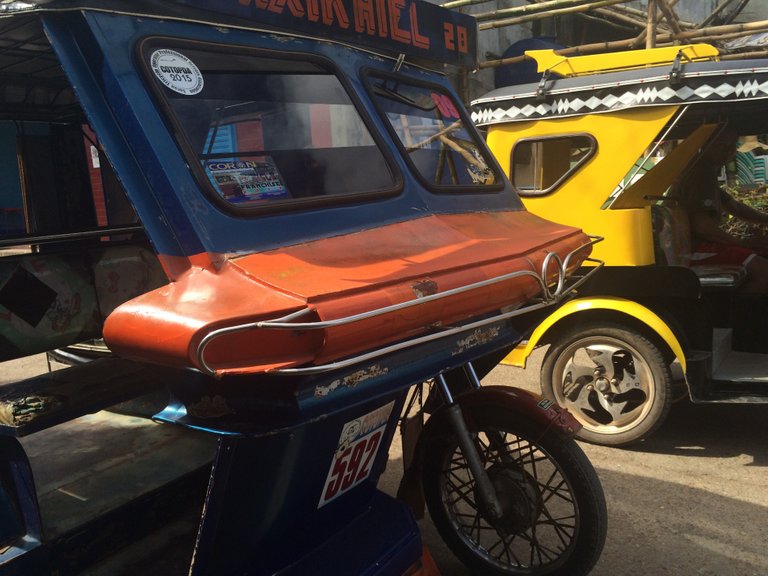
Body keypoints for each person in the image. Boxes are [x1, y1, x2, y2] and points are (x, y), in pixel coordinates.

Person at [679, 129, 768, 293]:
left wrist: (765, 219)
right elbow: (701, 225)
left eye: (731, 145)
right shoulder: (700, 173)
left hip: (702, 247)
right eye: (720, 144)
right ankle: (738, 315)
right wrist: (741, 243)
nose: (727, 150)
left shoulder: (706, 171)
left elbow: (735, 207)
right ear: (705, 145)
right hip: (695, 250)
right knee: (765, 274)